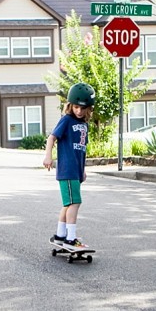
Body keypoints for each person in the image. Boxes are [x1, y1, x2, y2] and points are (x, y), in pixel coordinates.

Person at [43, 82, 95, 247]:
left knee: (68, 203)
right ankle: (70, 238)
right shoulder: (66, 120)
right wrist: (48, 156)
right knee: (75, 202)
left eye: (83, 108)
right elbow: (52, 137)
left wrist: (83, 170)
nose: (79, 111)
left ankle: (60, 235)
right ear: (70, 106)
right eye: (76, 107)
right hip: (67, 169)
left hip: (76, 170)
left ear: (88, 108)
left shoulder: (84, 125)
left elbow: (82, 149)